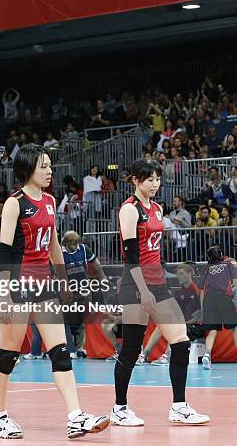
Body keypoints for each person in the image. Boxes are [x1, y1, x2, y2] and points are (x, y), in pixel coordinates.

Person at [0, 144, 109, 440]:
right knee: (7, 356)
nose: (49, 170)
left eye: (49, 165)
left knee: (61, 352)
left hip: (44, 287)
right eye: (44, 165)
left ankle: (75, 416)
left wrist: (64, 279)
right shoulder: (14, 203)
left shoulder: (50, 201)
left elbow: (53, 243)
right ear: (28, 168)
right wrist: (4, 293)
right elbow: (4, 251)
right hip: (17, 286)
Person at [111, 159, 210, 427]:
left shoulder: (157, 208)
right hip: (135, 285)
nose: (154, 184)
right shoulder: (129, 210)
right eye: (149, 179)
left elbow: (154, 250)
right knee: (131, 348)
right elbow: (131, 257)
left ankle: (179, 406)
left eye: (157, 179)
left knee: (180, 340)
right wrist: (143, 291)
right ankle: (119, 408)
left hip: (158, 282)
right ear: (135, 180)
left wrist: (162, 279)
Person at [61, 230, 106, 358]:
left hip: (84, 288)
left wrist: (103, 277)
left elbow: (96, 264)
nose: (74, 246)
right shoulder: (61, 252)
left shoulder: (84, 249)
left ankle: (80, 347)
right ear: (66, 243)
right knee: (68, 318)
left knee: (82, 318)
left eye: (76, 243)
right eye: (71, 244)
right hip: (68, 289)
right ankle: (70, 348)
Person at [198, 246, 237, 370]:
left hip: (209, 300)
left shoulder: (206, 269)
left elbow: (202, 291)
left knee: (213, 330)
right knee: (235, 328)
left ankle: (207, 354)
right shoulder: (228, 265)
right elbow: (235, 281)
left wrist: (202, 308)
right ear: (221, 254)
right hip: (224, 298)